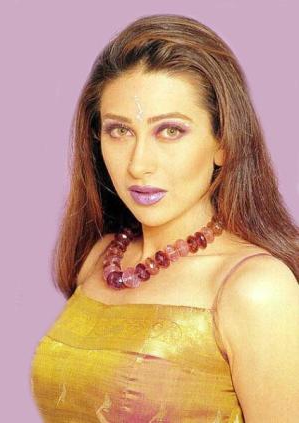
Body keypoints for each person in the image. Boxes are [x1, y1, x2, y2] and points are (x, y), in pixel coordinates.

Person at [29, 13, 299, 423]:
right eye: (120, 131)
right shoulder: (101, 258)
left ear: (223, 144)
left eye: (170, 131)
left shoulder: (255, 289)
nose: (139, 164)